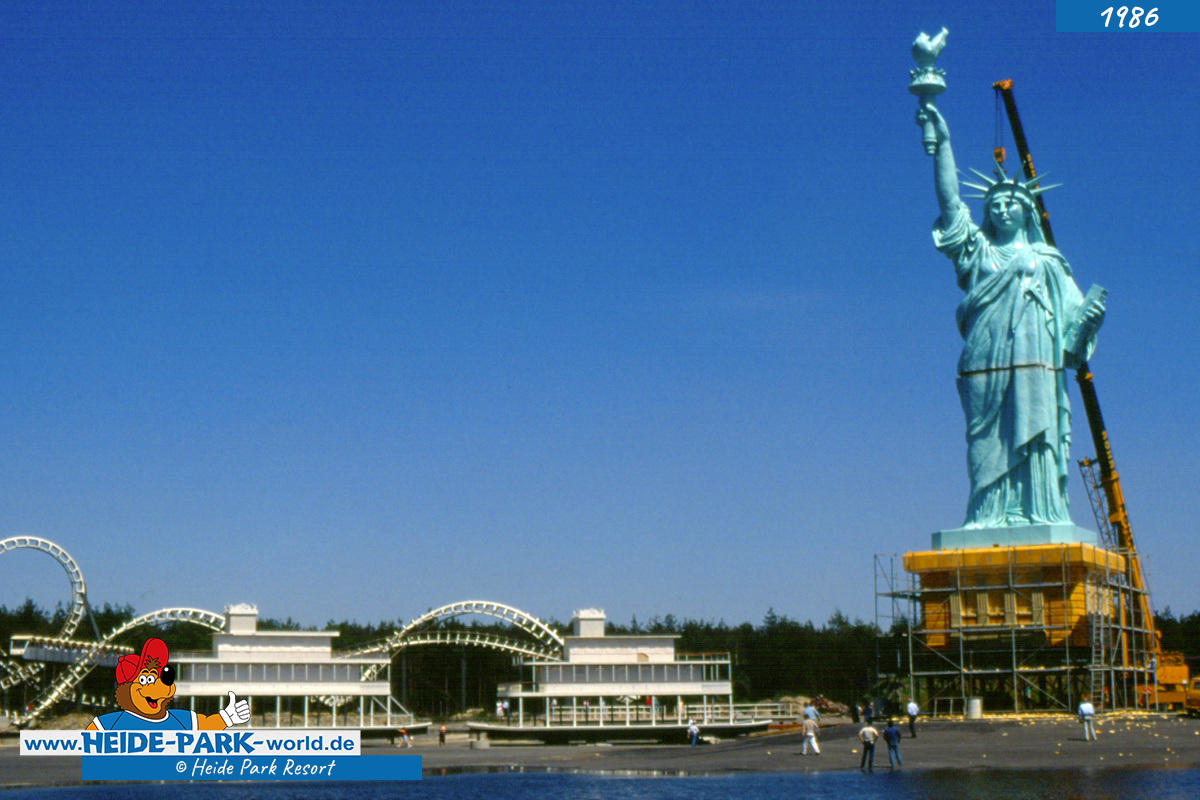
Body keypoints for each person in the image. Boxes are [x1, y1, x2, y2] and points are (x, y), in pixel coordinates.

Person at [916, 103, 1105, 529]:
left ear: (1027, 211)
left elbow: (1072, 336)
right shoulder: (977, 251)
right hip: (984, 361)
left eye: (1010, 203)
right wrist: (943, 143)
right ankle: (986, 513)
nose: (1002, 209)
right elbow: (950, 204)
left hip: (1035, 363)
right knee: (984, 441)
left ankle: (1039, 511)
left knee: (1036, 435)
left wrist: (1090, 319)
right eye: (995, 204)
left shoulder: (1047, 261)